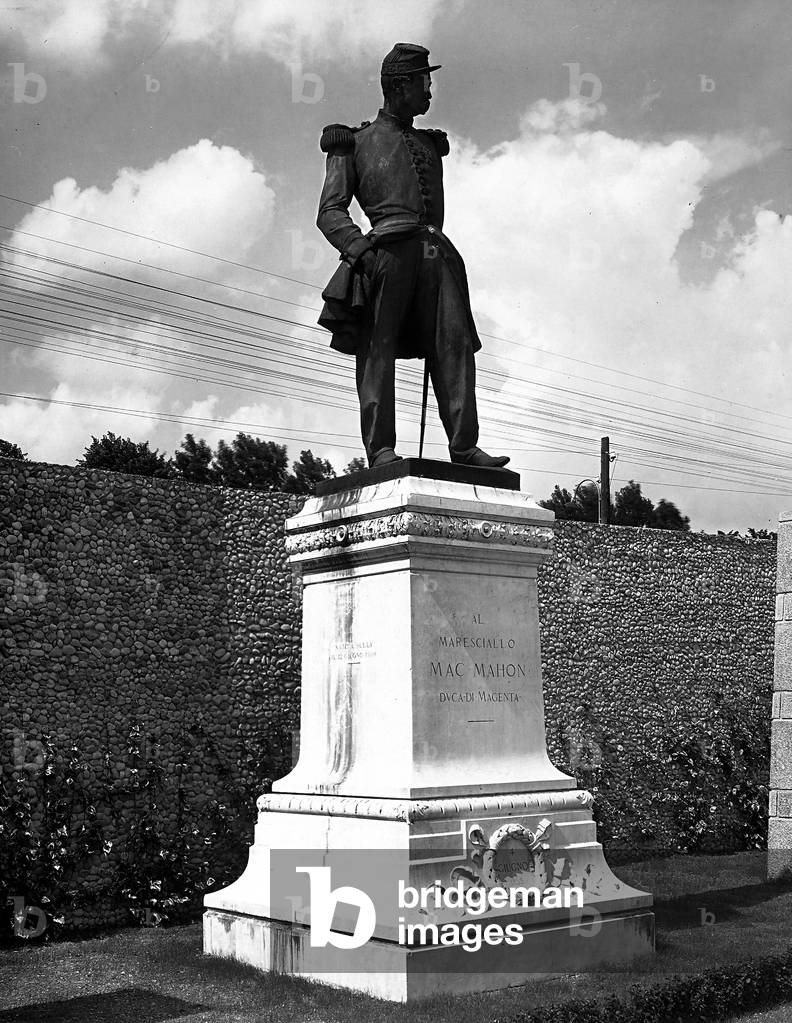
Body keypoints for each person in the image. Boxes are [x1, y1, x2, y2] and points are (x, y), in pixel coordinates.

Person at [316, 42, 510, 470]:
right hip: (385, 255)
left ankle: (464, 447)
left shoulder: (428, 144)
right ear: (400, 85)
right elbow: (329, 212)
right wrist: (361, 251)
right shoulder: (353, 142)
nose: (429, 91)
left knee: (455, 342)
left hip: (436, 255)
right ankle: (381, 449)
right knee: (378, 349)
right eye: (424, 81)